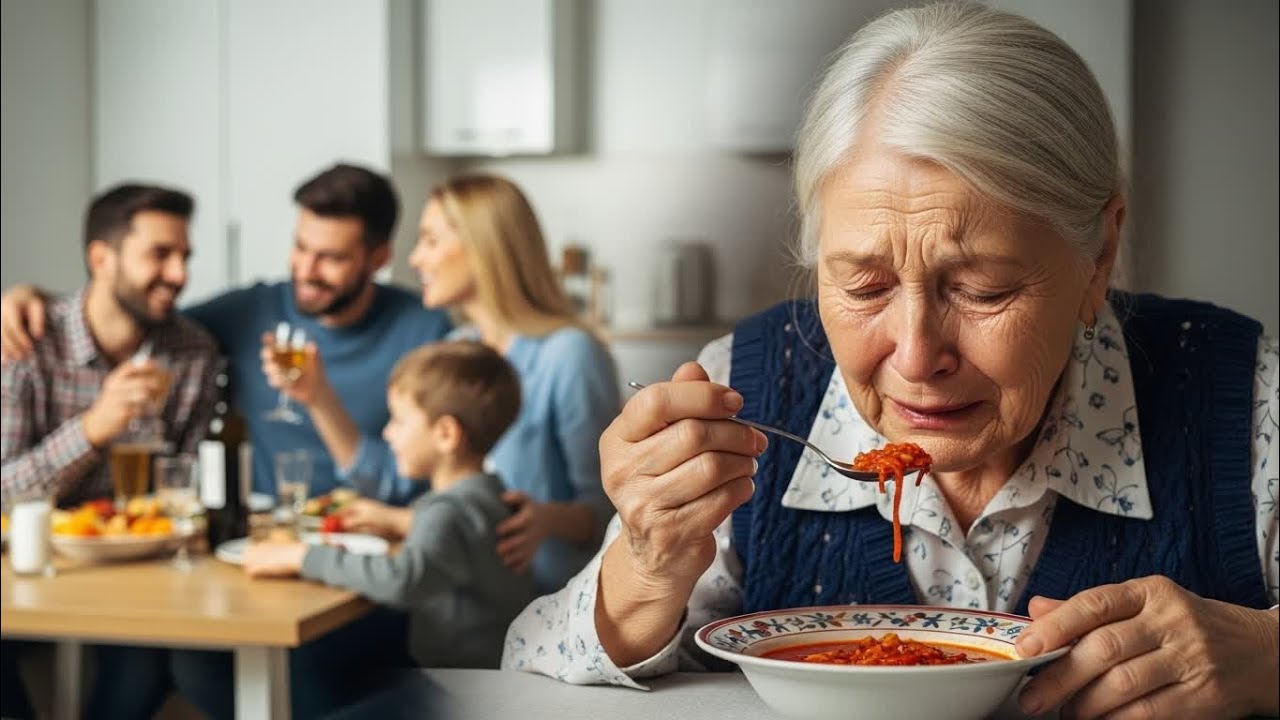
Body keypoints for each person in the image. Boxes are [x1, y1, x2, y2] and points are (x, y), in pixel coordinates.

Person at [500, 4, 1280, 719]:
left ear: (1099, 251)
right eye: (865, 285)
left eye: (981, 290)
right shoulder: (746, 387)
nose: (914, 355)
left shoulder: (1245, 402)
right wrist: (646, 568)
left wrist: (1270, 655)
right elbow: (527, 665)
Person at [1, 163, 452, 502]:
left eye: (331, 257)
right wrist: (29, 297)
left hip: (376, 544)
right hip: (258, 542)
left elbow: (432, 477)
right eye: (299, 247)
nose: (305, 270)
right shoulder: (245, 314)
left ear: (378, 258)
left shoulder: (426, 331)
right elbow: (127, 308)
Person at [262, 174, 619, 594]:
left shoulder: (569, 354)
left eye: (430, 240)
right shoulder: (458, 348)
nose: (414, 259)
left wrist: (546, 518)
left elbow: (615, 511)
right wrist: (318, 398)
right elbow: (406, 482)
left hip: (549, 604)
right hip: (464, 601)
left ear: (484, 249)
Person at [0, 183, 219, 719]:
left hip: (136, 577)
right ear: (102, 258)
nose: (179, 274)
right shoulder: (25, 341)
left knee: (143, 663)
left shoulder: (191, 352)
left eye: (185, 256)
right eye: (159, 255)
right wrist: (93, 429)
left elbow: (186, 493)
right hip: (26, 574)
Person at [245, 340, 537, 671]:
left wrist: (300, 557)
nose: (387, 433)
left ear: (445, 434)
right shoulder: (488, 495)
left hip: (462, 693)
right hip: (490, 678)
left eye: (398, 420)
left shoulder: (448, 511)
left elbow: (402, 579)